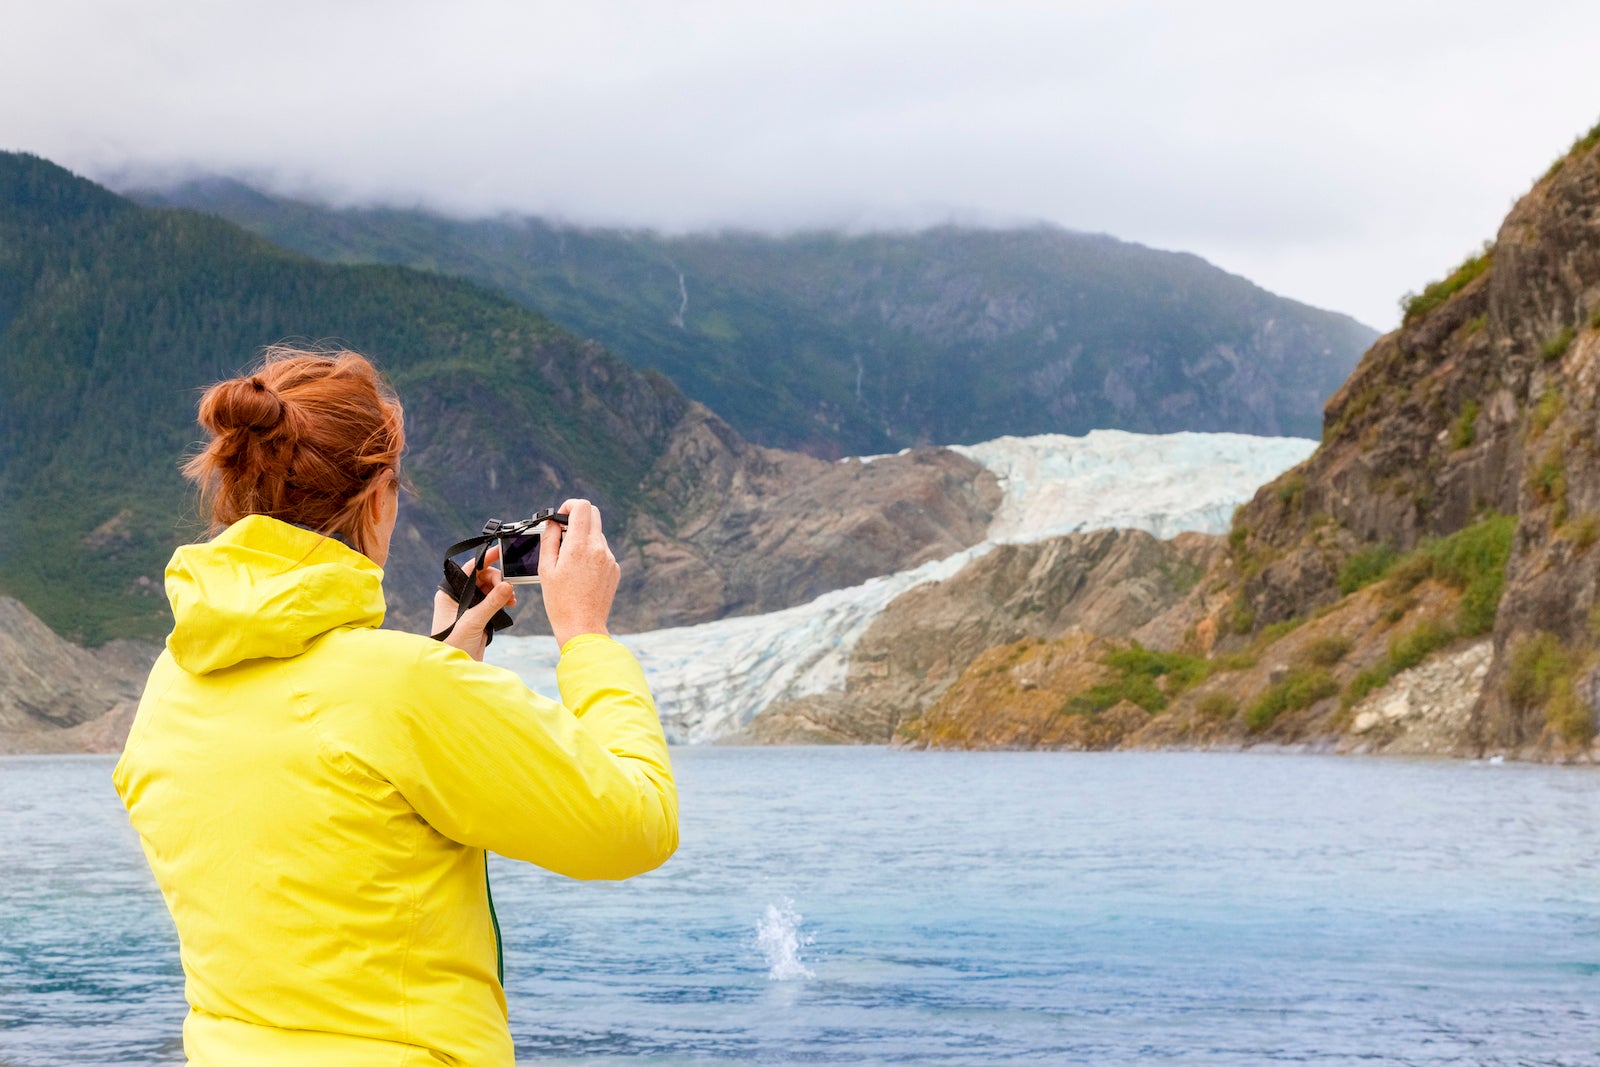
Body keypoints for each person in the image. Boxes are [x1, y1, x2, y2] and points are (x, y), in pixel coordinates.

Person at [112, 346, 678, 1067]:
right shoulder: (404, 689)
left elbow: (326, 811)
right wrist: (588, 636)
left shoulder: (170, 687)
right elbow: (637, 824)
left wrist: (446, 665)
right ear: (379, 494)